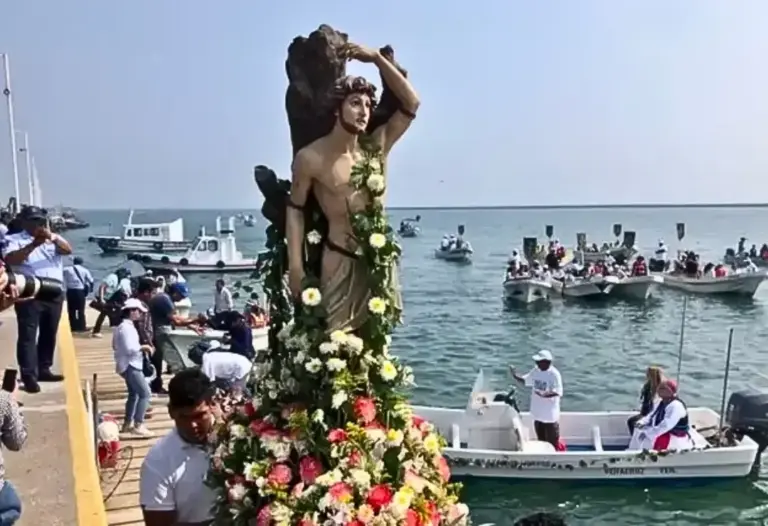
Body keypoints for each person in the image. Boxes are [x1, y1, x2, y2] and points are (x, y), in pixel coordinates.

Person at [3, 206, 71, 393]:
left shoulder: (53, 239)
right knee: (28, 335)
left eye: (39, 220)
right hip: (30, 291)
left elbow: (67, 250)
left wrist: (52, 237)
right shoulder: (14, 240)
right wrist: (34, 244)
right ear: (24, 222)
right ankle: (29, 375)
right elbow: (11, 259)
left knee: (49, 332)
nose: (37, 224)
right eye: (33, 221)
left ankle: (44, 368)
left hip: (54, 290)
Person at [139, 368, 218, 525]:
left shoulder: (236, 438)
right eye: (184, 417)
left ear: (212, 405)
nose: (193, 425)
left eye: (199, 415)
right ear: (171, 412)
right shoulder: (158, 461)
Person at [148, 282, 201, 395]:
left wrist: (192, 326)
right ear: (175, 293)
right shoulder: (165, 300)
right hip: (160, 332)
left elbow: (174, 319)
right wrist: (196, 320)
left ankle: (155, 385)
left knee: (157, 359)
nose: (183, 298)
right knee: (173, 360)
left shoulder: (163, 297)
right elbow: (176, 321)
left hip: (154, 331)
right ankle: (160, 387)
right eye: (181, 295)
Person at [113, 299, 154, 437]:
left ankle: (127, 423)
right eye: (139, 311)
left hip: (127, 364)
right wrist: (145, 347)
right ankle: (138, 424)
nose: (141, 314)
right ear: (131, 311)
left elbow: (115, 345)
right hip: (131, 365)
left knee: (134, 394)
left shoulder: (123, 327)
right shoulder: (126, 328)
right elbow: (130, 348)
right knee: (145, 393)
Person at [510, 350, 563, 448]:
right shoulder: (536, 370)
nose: (536, 363)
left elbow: (558, 391)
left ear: (547, 362)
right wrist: (515, 375)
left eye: (539, 361)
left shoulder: (554, 374)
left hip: (549, 415)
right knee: (541, 441)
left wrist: (544, 394)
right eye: (536, 361)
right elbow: (526, 380)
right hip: (538, 414)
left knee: (552, 442)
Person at [629, 379, 693, 451]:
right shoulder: (662, 402)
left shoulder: (675, 406)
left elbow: (666, 425)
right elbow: (651, 415)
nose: (659, 390)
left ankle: (643, 454)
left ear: (670, 391)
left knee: (645, 438)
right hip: (660, 430)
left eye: (662, 388)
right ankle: (633, 451)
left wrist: (649, 433)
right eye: (659, 388)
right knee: (638, 430)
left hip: (672, 436)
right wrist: (641, 422)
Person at [91, 267, 132, 338]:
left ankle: (111, 327)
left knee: (109, 312)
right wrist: (101, 299)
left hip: (108, 298)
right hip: (101, 296)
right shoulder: (113, 277)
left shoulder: (120, 280)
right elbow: (102, 287)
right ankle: (96, 331)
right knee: (104, 313)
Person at [626, 366, 663, 434]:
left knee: (631, 422)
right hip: (648, 413)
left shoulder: (652, 389)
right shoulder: (657, 387)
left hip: (649, 414)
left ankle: (635, 439)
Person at [63, 256, 93, 332]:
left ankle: (73, 327)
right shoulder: (85, 270)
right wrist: (90, 290)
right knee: (81, 310)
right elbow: (91, 281)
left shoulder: (67, 269)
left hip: (70, 291)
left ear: (74, 262)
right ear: (81, 263)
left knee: (71, 310)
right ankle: (82, 327)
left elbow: (60, 273)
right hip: (80, 291)